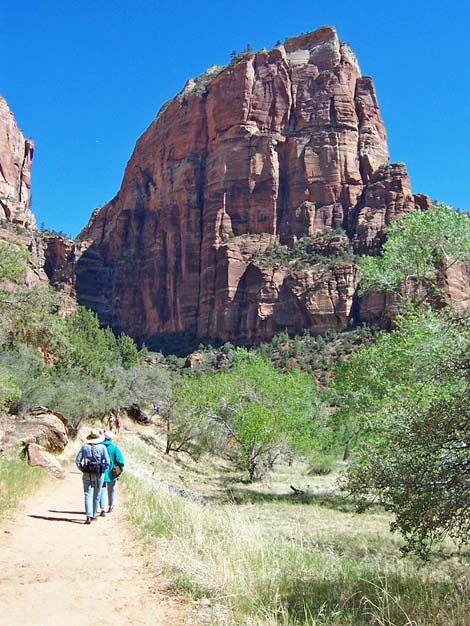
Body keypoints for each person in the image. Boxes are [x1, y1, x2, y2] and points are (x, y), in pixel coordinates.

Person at [76, 429, 110, 524]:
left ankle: (88, 516)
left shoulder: (84, 447)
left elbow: (78, 461)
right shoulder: (102, 448)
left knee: (88, 494)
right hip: (99, 473)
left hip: (87, 473)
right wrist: (103, 469)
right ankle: (94, 514)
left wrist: (82, 469)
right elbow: (107, 462)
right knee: (97, 494)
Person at [99, 431, 125, 515]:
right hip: (112, 473)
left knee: (101, 490)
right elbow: (120, 462)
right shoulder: (115, 448)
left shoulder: (99, 447)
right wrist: (118, 472)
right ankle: (111, 506)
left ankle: (102, 508)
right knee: (111, 490)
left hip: (100, 471)